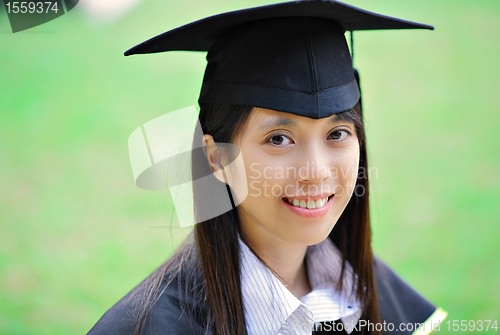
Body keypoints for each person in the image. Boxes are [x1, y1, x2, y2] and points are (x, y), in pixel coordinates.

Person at [87, 1, 447, 334]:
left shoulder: (371, 292)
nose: (317, 172)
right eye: (278, 139)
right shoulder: (151, 326)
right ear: (217, 158)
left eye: (337, 133)